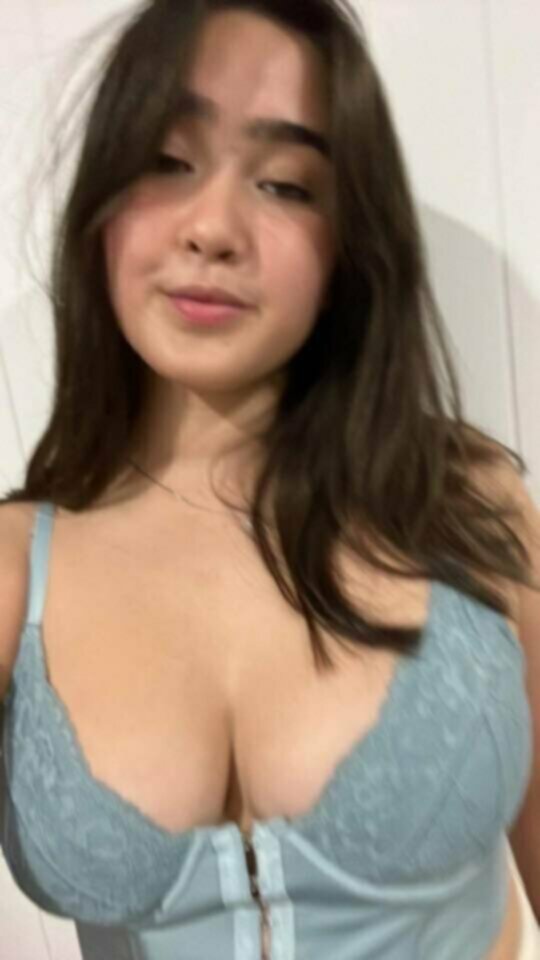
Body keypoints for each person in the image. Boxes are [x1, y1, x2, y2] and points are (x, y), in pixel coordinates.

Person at [0, 1, 539, 958]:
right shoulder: (14, 574)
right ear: (101, 207)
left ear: (348, 244)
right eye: (167, 162)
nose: (213, 228)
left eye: (286, 185)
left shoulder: (466, 504)